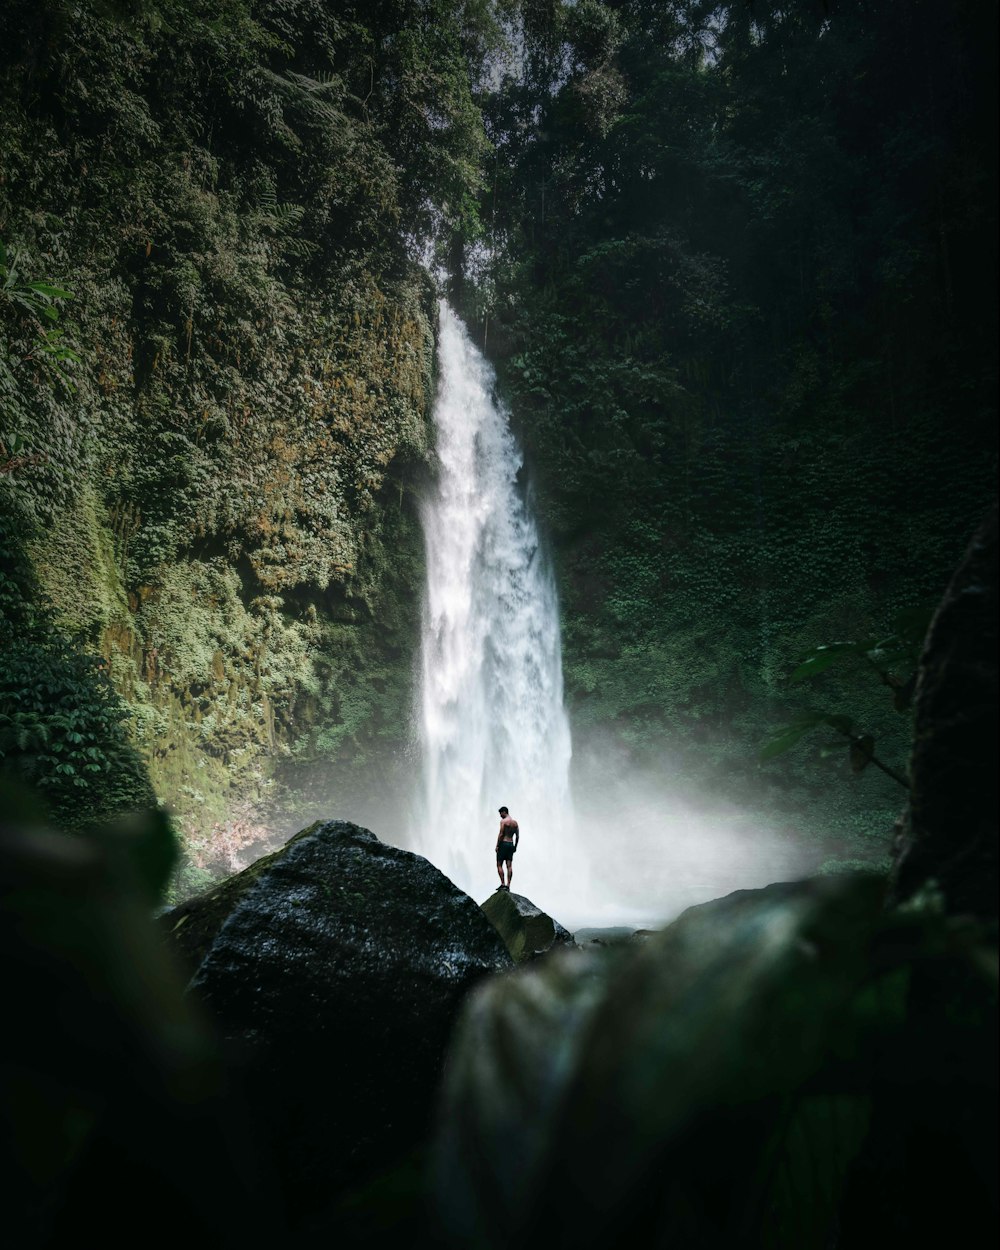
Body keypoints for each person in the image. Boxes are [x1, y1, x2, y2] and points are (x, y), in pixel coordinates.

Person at [495, 806, 519, 891]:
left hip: (503, 844)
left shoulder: (503, 821)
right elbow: (517, 836)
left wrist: (497, 845)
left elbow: (501, 834)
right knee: (509, 866)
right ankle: (508, 885)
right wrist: (515, 847)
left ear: (504, 812)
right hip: (511, 844)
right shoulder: (515, 823)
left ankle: (502, 883)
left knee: (499, 864)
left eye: (500, 813)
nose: (500, 815)